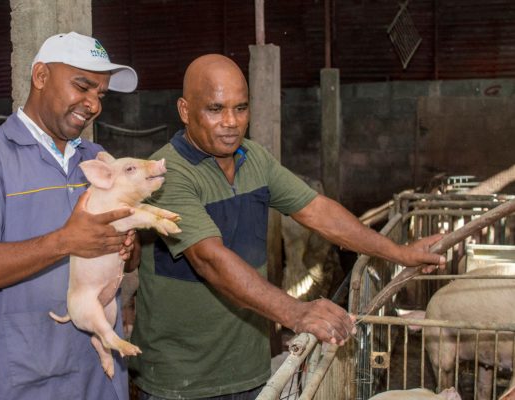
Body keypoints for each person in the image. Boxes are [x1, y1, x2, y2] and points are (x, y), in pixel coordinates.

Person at [128, 54, 446, 400]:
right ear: (185, 110)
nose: (231, 122)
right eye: (215, 109)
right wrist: (296, 311)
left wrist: (399, 253)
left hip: (249, 370)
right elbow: (209, 259)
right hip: (182, 380)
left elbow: (318, 211)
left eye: (241, 108)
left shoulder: (254, 158)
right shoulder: (163, 175)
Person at [0, 32, 140, 400]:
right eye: (82, 86)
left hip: (100, 376)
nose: (93, 104)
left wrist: (126, 244)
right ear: (40, 76)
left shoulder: (98, 159)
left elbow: (130, 260)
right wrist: (64, 242)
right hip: (24, 380)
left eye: (101, 94)